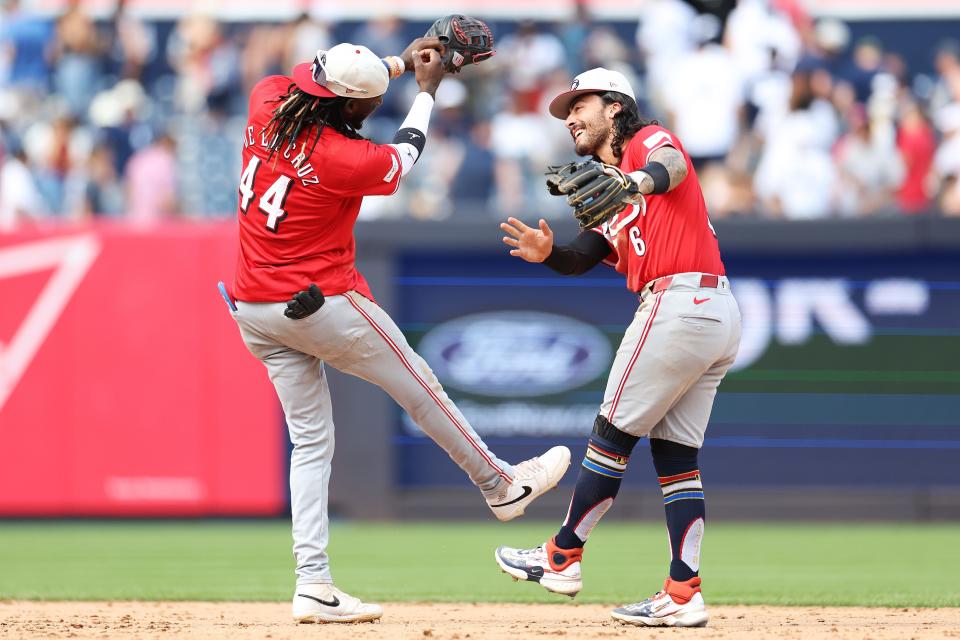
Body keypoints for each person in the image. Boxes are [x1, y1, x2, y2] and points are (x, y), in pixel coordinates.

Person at [221, 39, 570, 625]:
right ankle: (501, 485)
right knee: (420, 385)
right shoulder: (341, 158)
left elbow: (319, 85)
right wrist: (425, 90)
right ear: (354, 108)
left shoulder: (266, 102)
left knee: (310, 444)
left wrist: (400, 63)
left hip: (252, 309)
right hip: (320, 302)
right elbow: (402, 158)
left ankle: (313, 584)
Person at [494, 68, 742, 628]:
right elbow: (581, 257)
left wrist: (634, 181)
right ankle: (684, 592)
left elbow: (673, 165)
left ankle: (561, 556)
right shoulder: (609, 187)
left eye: (579, 104)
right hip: (712, 310)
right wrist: (548, 252)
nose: (570, 117)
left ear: (614, 107)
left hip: (678, 301)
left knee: (610, 435)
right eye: (566, 110)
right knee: (677, 458)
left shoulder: (645, 143)